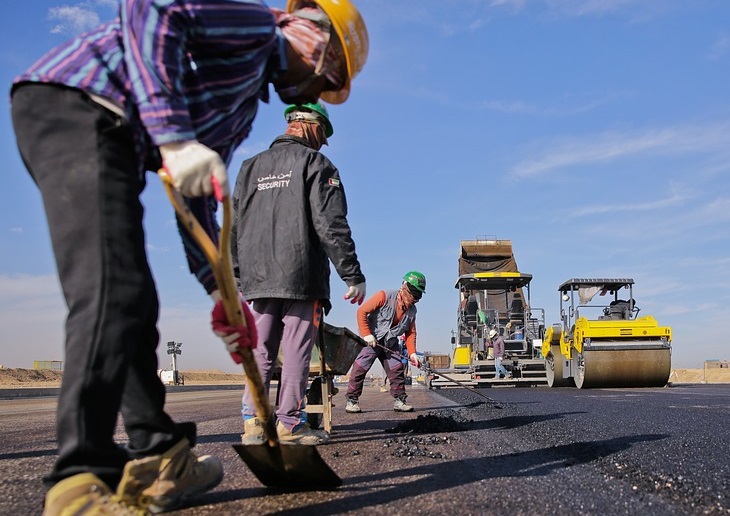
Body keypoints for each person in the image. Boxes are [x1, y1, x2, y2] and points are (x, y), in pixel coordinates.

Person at [9, 0, 368, 513]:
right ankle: (77, 480)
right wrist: (173, 138)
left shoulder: (243, 103)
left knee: (134, 303)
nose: (316, 89)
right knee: (111, 295)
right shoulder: (254, 26)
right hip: (79, 103)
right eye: (327, 73)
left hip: (116, 136)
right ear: (313, 35)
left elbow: (197, 193)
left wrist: (219, 290)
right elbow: (150, 9)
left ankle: (160, 454)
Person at [232, 101, 366, 446]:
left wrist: (237, 274)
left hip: (257, 278)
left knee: (260, 348)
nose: (323, 143)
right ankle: (289, 424)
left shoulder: (249, 168)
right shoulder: (316, 164)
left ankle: (253, 422)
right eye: (323, 135)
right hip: (301, 275)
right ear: (312, 125)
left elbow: (233, 226)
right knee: (295, 351)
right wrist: (351, 274)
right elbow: (330, 224)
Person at [345, 272, 425, 413]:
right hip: (372, 340)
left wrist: (412, 353)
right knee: (360, 368)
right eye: (413, 294)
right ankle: (352, 400)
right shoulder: (384, 296)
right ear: (404, 287)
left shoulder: (412, 310)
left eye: (418, 295)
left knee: (397, 370)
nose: (414, 298)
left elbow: (411, 333)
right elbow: (361, 311)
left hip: (390, 343)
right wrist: (366, 334)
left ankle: (400, 401)